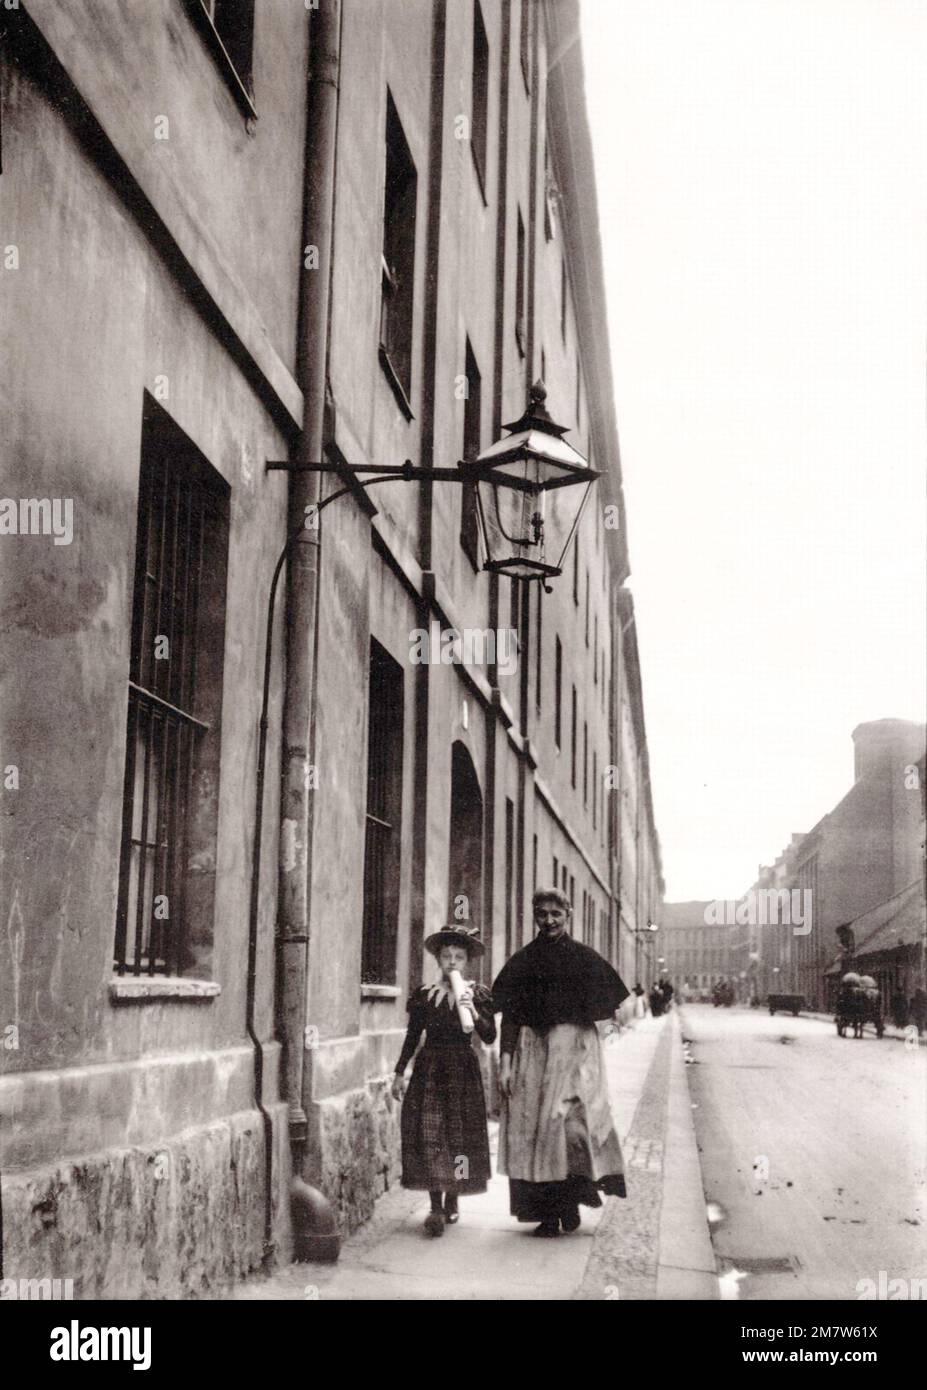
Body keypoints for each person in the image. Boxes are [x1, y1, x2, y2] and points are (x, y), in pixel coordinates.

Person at [492, 888, 629, 1238]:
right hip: (532, 1055)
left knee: (570, 1130)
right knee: (536, 1133)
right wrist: (506, 1062)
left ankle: (570, 1204)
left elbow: (608, 1017)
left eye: (556, 913)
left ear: (568, 914)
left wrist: (598, 1056)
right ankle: (550, 1215)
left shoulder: (585, 960)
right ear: (534, 916)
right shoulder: (523, 961)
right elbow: (509, 1016)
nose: (549, 920)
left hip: (574, 1054)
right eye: (542, 914)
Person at [391, 923, 496, 1236]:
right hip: (431, 1069)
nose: (452, 962)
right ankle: (435, 1205)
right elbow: (412, 1037)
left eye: (459, 957)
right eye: (447, 956)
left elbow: (490, 1036)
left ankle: (454, 1196)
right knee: (430, 1132)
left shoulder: (476, 994)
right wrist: (399, 1072)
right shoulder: (426, 995)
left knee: (459, 1136)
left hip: (462, 1071)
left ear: (467, 962)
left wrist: (474, 1013)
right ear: (437, 960)